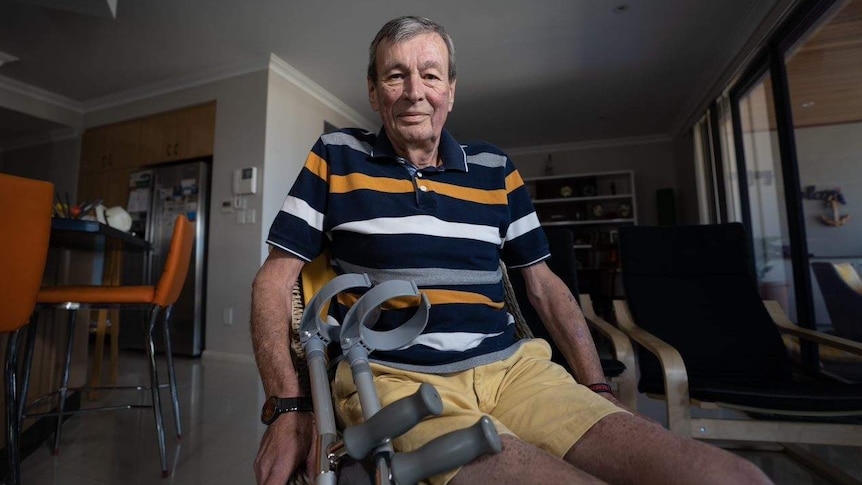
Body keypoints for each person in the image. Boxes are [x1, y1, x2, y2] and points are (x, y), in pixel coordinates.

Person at [252, 15, 773, 485]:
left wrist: (595, 386)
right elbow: (275, 279)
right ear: (373, 91)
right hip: (399, 380)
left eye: (430, 75)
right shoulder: (337, 156)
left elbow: (543, 285)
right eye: (396, 75)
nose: (415, 92)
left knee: (733, 476)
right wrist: (286, 406)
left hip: (517, 371)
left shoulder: (496, 169)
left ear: (450, 92)